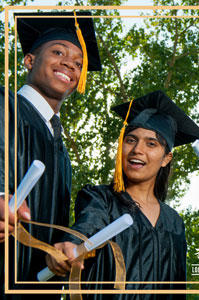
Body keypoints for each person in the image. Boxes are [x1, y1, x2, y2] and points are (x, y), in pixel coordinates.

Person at [45, 90, 199, 299]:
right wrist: (71, 244)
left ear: (166, 158)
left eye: (151, 143)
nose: (137, 149)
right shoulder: (101, 199)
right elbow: (87, 225)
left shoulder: (174, 222)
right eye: (130, 140)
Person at [0, 11, 101, 299]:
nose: (70, 63)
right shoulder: (5, 104)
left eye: (79, 63)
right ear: (29, 60)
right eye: (58, 51)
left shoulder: (63, 154)